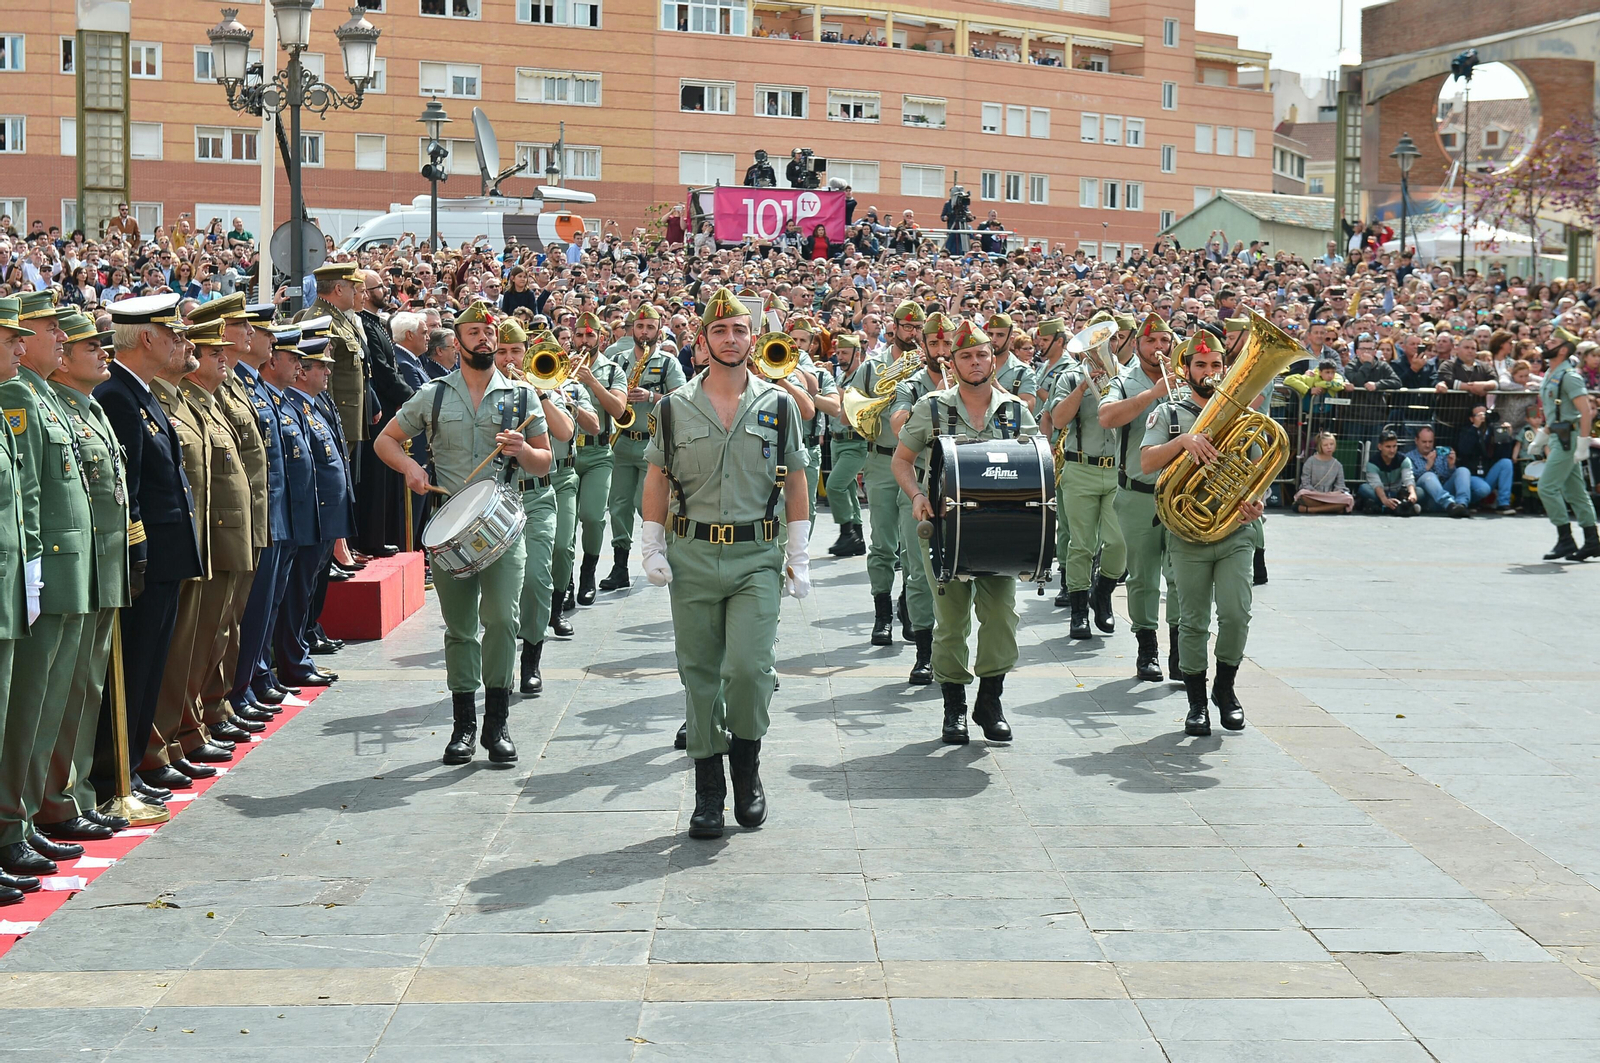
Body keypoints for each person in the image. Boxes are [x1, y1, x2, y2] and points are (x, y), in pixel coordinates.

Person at [639, 287, 810, 839]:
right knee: (699, 675)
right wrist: (650, 542)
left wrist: (800, 552)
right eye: (719, 331)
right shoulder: (673, 407)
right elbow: (657, 477)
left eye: (738, 329)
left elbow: (799, 478)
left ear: (752, 337)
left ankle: (748, 769)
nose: (730, 339)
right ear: (702, 341)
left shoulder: (780, 405)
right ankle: (708, 788)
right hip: (690, 554)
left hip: (757, 555)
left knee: (749, 670)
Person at [376, 301, 553, 766]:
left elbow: (545, 461)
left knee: (501, 620)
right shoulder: (434, 395)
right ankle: (463, 726)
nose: (481, 339)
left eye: (487, 332)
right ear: (458, 340)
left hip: (502, 525)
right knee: (459, 629)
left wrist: (522, 450)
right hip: (449, 526)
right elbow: (385, 440)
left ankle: (497, 722)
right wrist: (412, 467)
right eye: (472, 332)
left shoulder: (520, 397)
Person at [894, 319, 1034, 744]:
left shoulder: (1015, 410)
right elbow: (901, 460)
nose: (975, 362)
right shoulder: (932, 407)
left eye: (982, 355)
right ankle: (953, 705)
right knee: (951, 623)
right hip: (943, 531)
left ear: (994, 359)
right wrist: (917, 495)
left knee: (1001, 620)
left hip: (1001, 530)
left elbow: (1036, 466)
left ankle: (990, 699)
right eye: (966, 357)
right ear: (951, 364)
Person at [90, 294, 203, 809]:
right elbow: (128, 491)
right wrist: (136, 555)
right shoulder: (118, 396)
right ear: (145, 338)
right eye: (172, 333)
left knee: (151, 666)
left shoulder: (145, 393)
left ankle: (132, 767)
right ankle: (117, 775)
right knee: (134, 669)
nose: (181, 341)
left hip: (168, 555)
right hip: (147, 558)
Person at [0, 293, 96, 876]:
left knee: (45, 702)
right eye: (44, 329)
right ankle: (16, 822)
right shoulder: (17, 397)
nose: (55, 337)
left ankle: (24, 820)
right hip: (36, 573)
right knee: (25, 708)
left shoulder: (41, 396)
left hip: (45, 570)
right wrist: (35, 562)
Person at [37, 311, 133, 842]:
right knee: (61, 694)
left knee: (85, 690)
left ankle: (71, 794)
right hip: (73, 568)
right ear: (63, 360)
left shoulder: (88, 408)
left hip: (99, 568)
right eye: (88, 345)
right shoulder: (52, 409)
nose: (102, 352)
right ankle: (53, 801)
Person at [1140, 332, 1263, 738]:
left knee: (1236, 614)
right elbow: (1145, 462)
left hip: (1233, 531)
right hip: (1188, 532)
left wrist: (1255, 501)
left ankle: (1224, 689)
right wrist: (1182, 441)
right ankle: (1196, 701)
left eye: (1215, 366)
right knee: (1193, 621)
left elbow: (1258, 469)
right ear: (1186, 369)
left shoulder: (1242, 414)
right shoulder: (1169, 413)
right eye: (1200, 365)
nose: (1208, 373)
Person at [1099, 313, 1178, 682]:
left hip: (1182, 494)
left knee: (1182, 575)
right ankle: (1147, 647)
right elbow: (1106, 417)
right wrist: (1153, 394)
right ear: (1138, 345)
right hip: (1138, 493)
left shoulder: (1189, 378)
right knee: (1143, 577)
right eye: (1151, 342)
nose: (1159, 349)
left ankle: (1181, 647)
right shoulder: (1123, 381)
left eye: (1165, 342)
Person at [1045, 317, 1126, 641]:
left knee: (1119, 543)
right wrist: (1082, 387)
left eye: (1108, 342)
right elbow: (1059, 418)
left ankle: (1102, 592)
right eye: (1095, 344)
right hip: (1081, 469)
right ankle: (1079, 611)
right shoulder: (1068, 377)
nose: (1101, 349)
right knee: (1081, 545)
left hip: (1117, 471)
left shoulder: (1128, 377)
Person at [849, 301, 922, 646]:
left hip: (915, 461)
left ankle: (907, 606)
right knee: (882, 542)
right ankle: (882, 615)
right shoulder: (872, 366)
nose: (912, 334)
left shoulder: (925, 369)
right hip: (880, 459)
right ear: (893, 327)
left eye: (917, 328)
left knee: (912, 543)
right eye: (907, 327)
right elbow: (853, 406)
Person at [598, 305, 685, 594]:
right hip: (622, 440)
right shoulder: (617, 360)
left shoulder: (668, 362)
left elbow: (682, 397)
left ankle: (661, 554)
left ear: (659, 331)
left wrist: (651, 395)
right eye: (640, 326)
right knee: (620, 504)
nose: (644, 332)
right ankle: (620, 565)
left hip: (653, 442)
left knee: (646, 503)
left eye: (650, 327)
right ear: (630, 329)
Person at [493, 320, 559, 696]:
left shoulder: (541, 386)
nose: (508, 359)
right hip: (496, 498)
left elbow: (562, 437)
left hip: (536, 496)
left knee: (536, 579)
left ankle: (531, 656)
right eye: (501, 352)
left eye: (515, 351)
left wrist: (541, 394)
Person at [569, 312, 628, 605]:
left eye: (590, 336)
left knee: (592, 517)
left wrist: (592, 382)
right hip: (566, 452)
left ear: (601, 339)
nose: (584, 341)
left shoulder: (613, 370)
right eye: (579, 335)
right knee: (564, 524)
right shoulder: (559, 365)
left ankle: (588, 573)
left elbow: (619, 410)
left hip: (597, 453)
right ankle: (563, 580)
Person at [1535, 326, 1598, 560]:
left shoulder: (1569, 376)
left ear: (1562, 350)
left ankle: (1565, 539)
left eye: (1551, 342)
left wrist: (1582, 443)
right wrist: (1543, 434)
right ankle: (1592, 540)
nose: (1546, 345)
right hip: (1559, 434)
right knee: (1575, 491)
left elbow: (1585, 412)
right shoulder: (1552, 373)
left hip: (1568, 439)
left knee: (1547, 487)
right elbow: (1556, 412)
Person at [294, 261, 367, 451]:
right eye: (352, 287)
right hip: (336, 418)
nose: (355, 293)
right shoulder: (320, 319)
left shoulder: (336, 317)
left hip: (346, 418)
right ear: (338, 289)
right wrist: (328, 418)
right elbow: (321, 375)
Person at [1455, 405, 1515, 514]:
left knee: (1506, 463)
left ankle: (1503, 504)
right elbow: (1464, 449)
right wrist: (1475, 428)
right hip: (1471, 475)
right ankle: (1470, 502)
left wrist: (1507, 437)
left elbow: (1504, 455)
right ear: (1471, 418)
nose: (1483, 417)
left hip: (1487, 474)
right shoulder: (1466, 430)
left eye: (1485, 413)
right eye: (1479, 415)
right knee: (1483, 489)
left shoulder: (1493, 430)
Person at [1404, 427, 1470, 517]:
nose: (1427, 445)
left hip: (1443, 489)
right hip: (1427, 496)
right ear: (1416, 441)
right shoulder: (1409, 457)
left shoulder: (1440, 454)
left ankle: (1462, 505)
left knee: (1463, 470)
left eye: (1430, 442)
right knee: (1429, 475)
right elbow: (1410, 478)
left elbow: (1447, 477)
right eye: (1424, 442)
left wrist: (1451, 466)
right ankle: (1450, 504)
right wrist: (1427, 466)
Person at [1358, 429, 1420, 515]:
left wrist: (1412, 494)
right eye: (1388, 447)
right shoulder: (1372, 463)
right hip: (1379, 493)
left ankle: (1382, 508)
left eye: (1394, 446)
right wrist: (1385, 500)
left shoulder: (1404, 460)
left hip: (1397, 492)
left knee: (1420, 491)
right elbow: (1377, 485)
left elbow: (1408, 479)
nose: (1392, 450)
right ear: (1380, 447)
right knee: (1364, 488)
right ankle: (1399, 506)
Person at [1293, 431, 1355, 513]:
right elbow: (1305, 483)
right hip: (1313, 494)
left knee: (1349, 498)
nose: (1329, 447)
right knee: (1303, 494)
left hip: (1329, 495)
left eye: (1331, 444)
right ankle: (1333, 508)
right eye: (1325, 445)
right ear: (1320, 446)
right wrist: (1316, 492)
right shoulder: (1310, 461)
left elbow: (1340, 485)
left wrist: (1333, 493)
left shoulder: (1337, 465)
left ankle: (1311, 509)